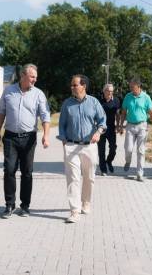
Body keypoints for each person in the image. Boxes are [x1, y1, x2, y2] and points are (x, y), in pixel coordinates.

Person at [0, 64, 51, 219]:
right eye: (32, 77)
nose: (35, 80)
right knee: (9, 170)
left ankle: (25, 206)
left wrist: (46, 135)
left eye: (36, 77)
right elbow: (1, 113)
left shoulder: (38, 94)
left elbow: (45, 116)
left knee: (27, 172)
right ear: (23, 75)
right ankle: (9, 205)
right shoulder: (8, 91)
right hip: (10, 137)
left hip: (29, 138)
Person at [58, 75, 106, 223]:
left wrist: (98, 133)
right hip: (71, 146)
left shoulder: (94, 102)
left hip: (89, 146)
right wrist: (64, 140)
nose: (72, 87)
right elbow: (62, 124)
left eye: (75, 85)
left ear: (83, 86)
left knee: (89, 178)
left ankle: (86, 202)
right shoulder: (67, 104)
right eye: (71, 85)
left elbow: (102, 121)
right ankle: (74, 210)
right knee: (73, 178)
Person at [118, 77, 152, 182]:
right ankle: (128, 161)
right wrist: (121, 126)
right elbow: (123, 112)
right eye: (130, 87)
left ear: (138, 86)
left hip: (142, 126)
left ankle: (140, 174)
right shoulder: (128, 96)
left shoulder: (146, 97)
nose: (131, 88)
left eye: (132, 87)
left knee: (141, 151)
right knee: (128, 149)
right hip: (130, 126)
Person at [97, 83, 121, 175]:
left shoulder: (116, 100)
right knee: (101, 150)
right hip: (100, 128)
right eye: (108, 91)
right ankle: (103, 169)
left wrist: (118, 125)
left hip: (111, 128)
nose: (110, 93)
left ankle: (109, 161)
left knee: (113, 148)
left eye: (112, 91)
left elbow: (118, 114)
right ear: (104, 91)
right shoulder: (99, 100)